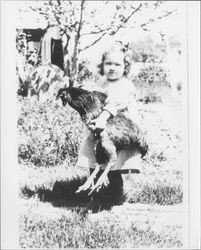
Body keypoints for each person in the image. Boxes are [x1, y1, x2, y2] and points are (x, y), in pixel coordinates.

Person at [76, 42, 143, 210]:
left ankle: (115, 200)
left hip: (117, 131)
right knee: (94, 165)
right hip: (99, 131)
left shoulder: (125, 84)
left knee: (113, 167)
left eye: (117, 64)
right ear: (102, 65)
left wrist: (103, 117)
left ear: (125, 66)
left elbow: (115, 103)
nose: (112, 68)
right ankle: (95, 198)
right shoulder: (102, 83)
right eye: (108, 63)